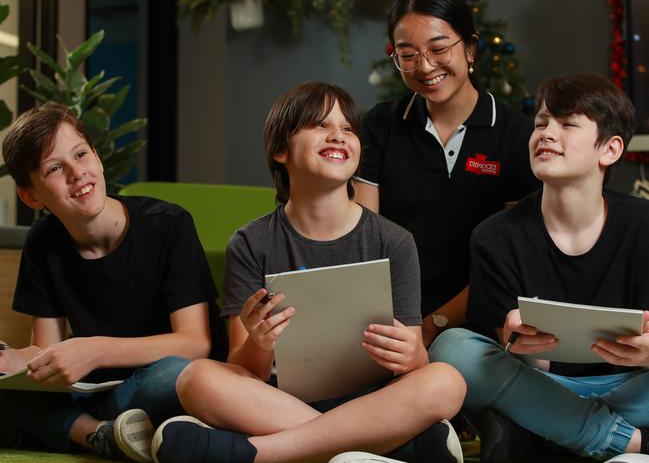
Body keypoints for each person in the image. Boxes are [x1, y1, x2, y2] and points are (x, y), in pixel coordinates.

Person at [150, 82, 467, 463]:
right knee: (196, 378)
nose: (338, 135)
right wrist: (260, 341)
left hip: (372, 399)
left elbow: (413, 363)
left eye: (348, 128)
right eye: (319, 125)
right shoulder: (251, 243)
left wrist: (412, 353)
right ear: (281, 150)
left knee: (446, 381)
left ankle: (258, 455)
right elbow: (243, 367)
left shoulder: (394, 241)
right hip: (276, 402)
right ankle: (394, 449)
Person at [429, 73, 649, 462]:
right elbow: (513, 354)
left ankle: (554, 431)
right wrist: (516, 344)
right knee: (452, 348)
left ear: (610, 149)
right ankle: (618, 440)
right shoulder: (494, 236)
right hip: (540, 384)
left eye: (567, 124)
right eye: (541, 123)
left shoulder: (643, 224)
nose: (546, 133)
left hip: (634, 389)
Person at [0, 103, 220, 461]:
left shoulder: (169, 224)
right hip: (96, 390)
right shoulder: (42, 242)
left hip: (162, 381)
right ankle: (103, 435)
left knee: (176, 373)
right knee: (7, 393)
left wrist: (94, 350)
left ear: (98, 158)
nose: (77, 173)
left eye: (81, 155)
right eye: (55, 168)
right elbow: (45, 351)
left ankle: (78, 429)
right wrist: (8, 360)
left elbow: (195, 343)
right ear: (31, 196)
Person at [354, 0, 539, 348]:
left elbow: (509, 261)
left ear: (470, 49)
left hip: (479, 318)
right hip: (388, 317)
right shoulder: (381, 125)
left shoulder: (516, 136)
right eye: (407, 55)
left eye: (439, 49)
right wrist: (397, 328)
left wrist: (432, 326)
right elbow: (364, 243)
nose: (425, 67)